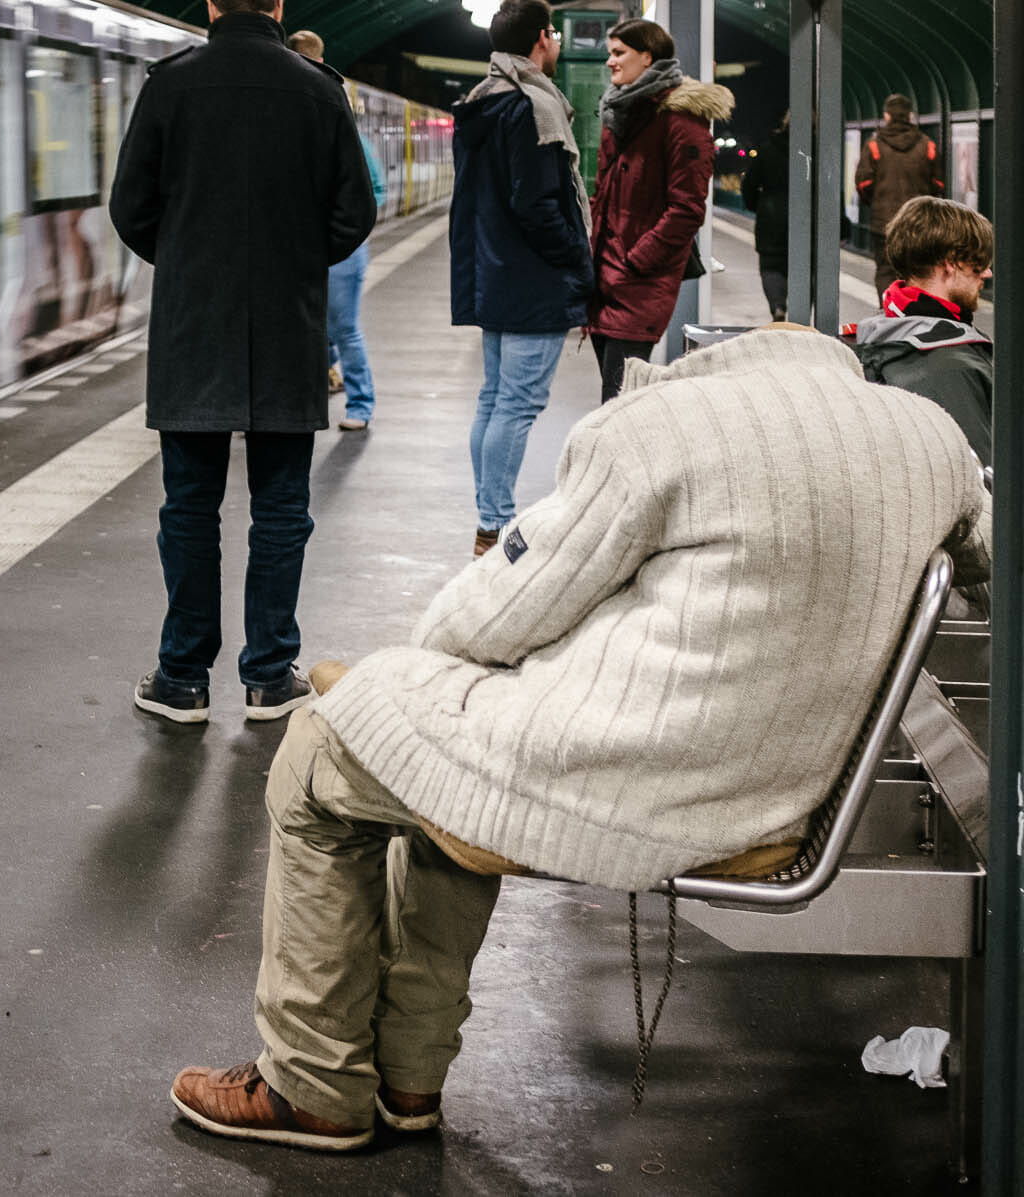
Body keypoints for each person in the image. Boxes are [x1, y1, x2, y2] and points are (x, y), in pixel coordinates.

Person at [168, 325, 990, 1152]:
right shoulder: (930, 439)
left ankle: (310, 1083)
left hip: (630, 791)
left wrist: (409, 674)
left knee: (319, 749)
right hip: (778, 804)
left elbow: (501, 607)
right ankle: (405, 1081)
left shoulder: (663, 427)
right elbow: (992, 551)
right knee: (427, 760)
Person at [111, 0, 375, 725]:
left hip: (194, 321)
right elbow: (352, 211)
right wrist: (294, 260)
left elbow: (132, 206)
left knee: (188, 504)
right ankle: (268, 675)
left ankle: (182, 676)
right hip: (288, 323)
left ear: (211, 7)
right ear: (279, 8)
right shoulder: (318, 90)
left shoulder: (171, 84)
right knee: (282, 505)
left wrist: (189, 257)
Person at [446, 0, 592, 559]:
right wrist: (578, 266)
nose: (555, 43)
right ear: (541, 38)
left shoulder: (485, 98)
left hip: (495, 271)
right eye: (553, 34)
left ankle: (489, 518)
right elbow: (537, 203)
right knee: (519, 405)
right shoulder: (532, 105)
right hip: (531, 278)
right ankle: (496, 525)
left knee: (494, 400)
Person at [588, 17, 732, 403]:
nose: (610, 62)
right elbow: (606, 194)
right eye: (609, 53)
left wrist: (635, 262)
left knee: (620, 400)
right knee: (614, 396)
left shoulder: (681, 121)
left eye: (619, 53)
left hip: (638, 281)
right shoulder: (622, 114)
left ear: (647, 56)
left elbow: (686, 210)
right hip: (606, 277)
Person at [288, 28, 390, 432]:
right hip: (301, 248)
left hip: (340, 251)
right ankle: (308, 394)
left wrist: (338, 233)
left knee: (343, 327)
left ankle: (361, 404)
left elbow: (375, 190)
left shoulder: (338, 116)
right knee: (314, 328)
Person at [848, 195, 995, 465]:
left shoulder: (869, 336)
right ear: (951, 262)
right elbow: (986, 480)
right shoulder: (955, 366)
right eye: (978, 262)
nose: (986, 273)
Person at [855, 94, 945, 300]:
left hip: (884, 221)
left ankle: (889, 311)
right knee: (917, 269)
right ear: (910, 115)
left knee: (886, 269)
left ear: (886, 116)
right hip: (920, 222)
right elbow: (938, 183)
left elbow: (863, 183)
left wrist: (875, 202)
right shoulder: (927, 145)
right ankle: (913, 312)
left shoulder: (874, 145)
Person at [739, 112, 789, 320]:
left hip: (771, 217)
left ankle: (778, 305)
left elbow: (748, 184)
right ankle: (804, 313)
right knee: (809, 267)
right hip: (810, 219)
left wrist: (757, 206)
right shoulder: (818, 150)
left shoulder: (768, 150)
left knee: (771, 264)